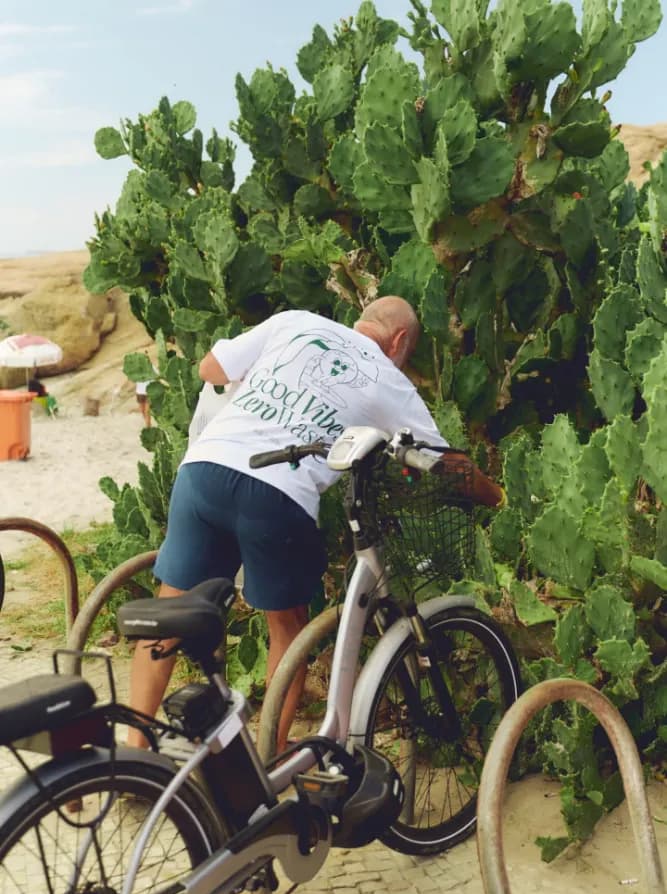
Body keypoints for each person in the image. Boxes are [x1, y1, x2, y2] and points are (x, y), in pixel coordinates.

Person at [127, 296, 504, 751]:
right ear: (400, 340)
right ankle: (267, 758)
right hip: (275, 494)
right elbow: (446, 465)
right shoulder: (388, 379)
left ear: (361, 320)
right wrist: (499, 498)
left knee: (170, 614)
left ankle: (135, 748)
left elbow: (211, 369)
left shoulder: (296, 321)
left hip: (203, 470)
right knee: (288, 632)